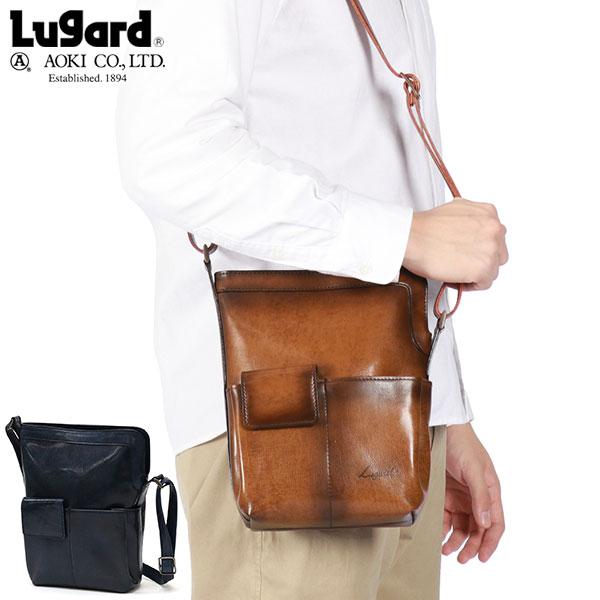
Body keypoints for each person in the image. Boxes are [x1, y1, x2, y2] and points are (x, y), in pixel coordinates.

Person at [116, 1, 507, 598]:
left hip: (396, 415)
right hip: (279, 424)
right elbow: (167, 148)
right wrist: (402, 236)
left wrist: (442, 412)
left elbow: (378, 159)